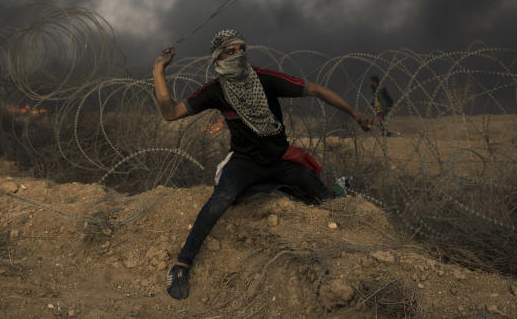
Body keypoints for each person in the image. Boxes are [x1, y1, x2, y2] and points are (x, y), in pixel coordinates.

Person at [153, 28, 373, 300]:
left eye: (241, 49)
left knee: (323, 197)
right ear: (218, 57)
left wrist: (355, 113)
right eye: (230, 51)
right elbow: (170, 112)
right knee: (221, 199)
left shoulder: (266, 79)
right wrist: (158, 70)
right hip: (244, 162)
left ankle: (319, 190)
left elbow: (315, 90)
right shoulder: (216, 90)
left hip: (280, 160)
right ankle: (182, 263)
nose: (238, 55)